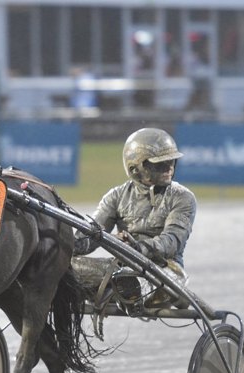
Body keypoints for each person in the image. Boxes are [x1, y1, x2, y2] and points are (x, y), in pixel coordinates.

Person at [74, 127, 197, 308]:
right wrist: (67, 240)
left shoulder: (183, 197)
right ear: (135, 169)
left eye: (171, 161)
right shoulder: (115, 196)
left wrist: (137, 248)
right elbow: (89, 238)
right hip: (123, 269)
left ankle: (127, 290)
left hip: (164, 270)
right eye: (159, 163)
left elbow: (172, 242)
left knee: (131, 278)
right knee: (64, 265)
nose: (169, 167)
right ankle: (121, 288)